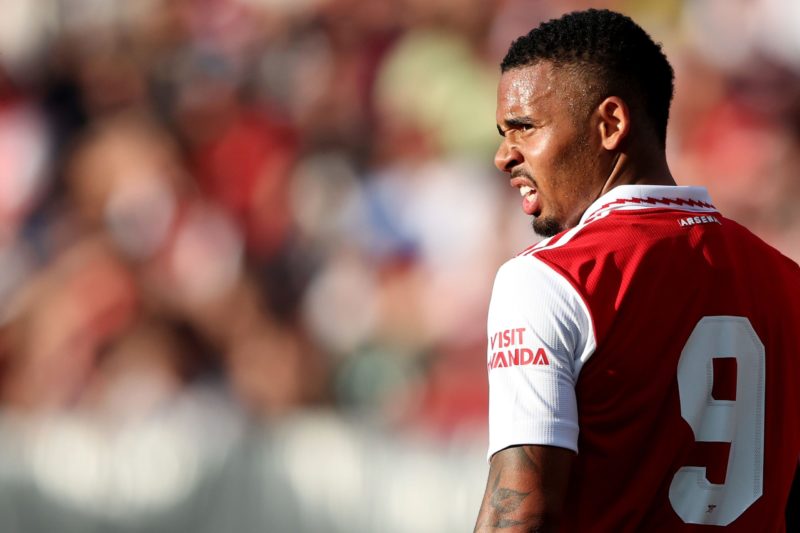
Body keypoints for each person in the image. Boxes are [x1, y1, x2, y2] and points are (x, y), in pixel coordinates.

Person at [474, 9, 800, 532]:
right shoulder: (786, 281)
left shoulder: (547, 280)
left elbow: (520, 513)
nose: (502, 156)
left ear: (610, 124)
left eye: (524, 128)